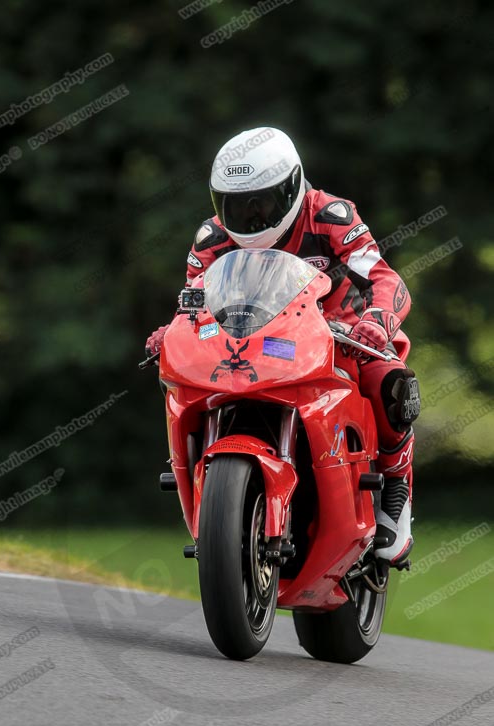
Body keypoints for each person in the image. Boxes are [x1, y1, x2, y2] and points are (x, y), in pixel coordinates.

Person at [146, 127, 421, 567]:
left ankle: (396, 491)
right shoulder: (211, 239)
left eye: (262, 202)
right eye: (236, 205)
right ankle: (210, 483)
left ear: (292, 186)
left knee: (389, 384)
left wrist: (378, 320)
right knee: (179, 377)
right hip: (250, 338)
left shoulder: (331, 216)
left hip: (340, 331)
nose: (251, 217)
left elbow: (386, 279)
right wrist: (173, 328)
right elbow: (193, 301)